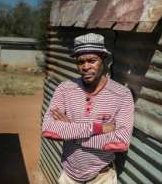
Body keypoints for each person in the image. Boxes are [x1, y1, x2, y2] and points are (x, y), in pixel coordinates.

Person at [41, 33, 134, 184]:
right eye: (81, 62)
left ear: (103, 59)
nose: (85, 67)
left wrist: (70, 130)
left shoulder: (121, 94)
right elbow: (48, 129)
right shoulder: (65, 89)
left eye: (92, 61)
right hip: (68, 175)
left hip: (102, 176)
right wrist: (97, 128)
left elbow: (121, 141)